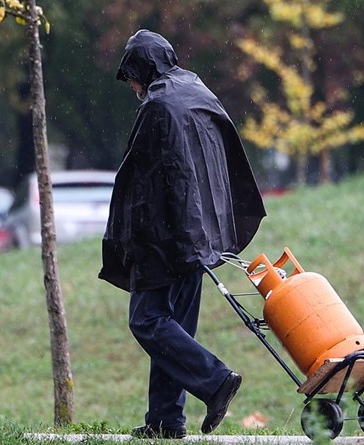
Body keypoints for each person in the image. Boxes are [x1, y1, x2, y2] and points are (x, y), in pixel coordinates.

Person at [98, 30, 267, 439]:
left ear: (142, 68)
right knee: (174, 328)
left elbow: (144, 180)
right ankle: (166, 421)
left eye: (132, 77)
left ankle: (216, 381)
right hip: (203, 232)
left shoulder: (158, 105)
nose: (133, 87)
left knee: (148, 321)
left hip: (167, 237)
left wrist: (129, 239)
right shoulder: (196, 91)